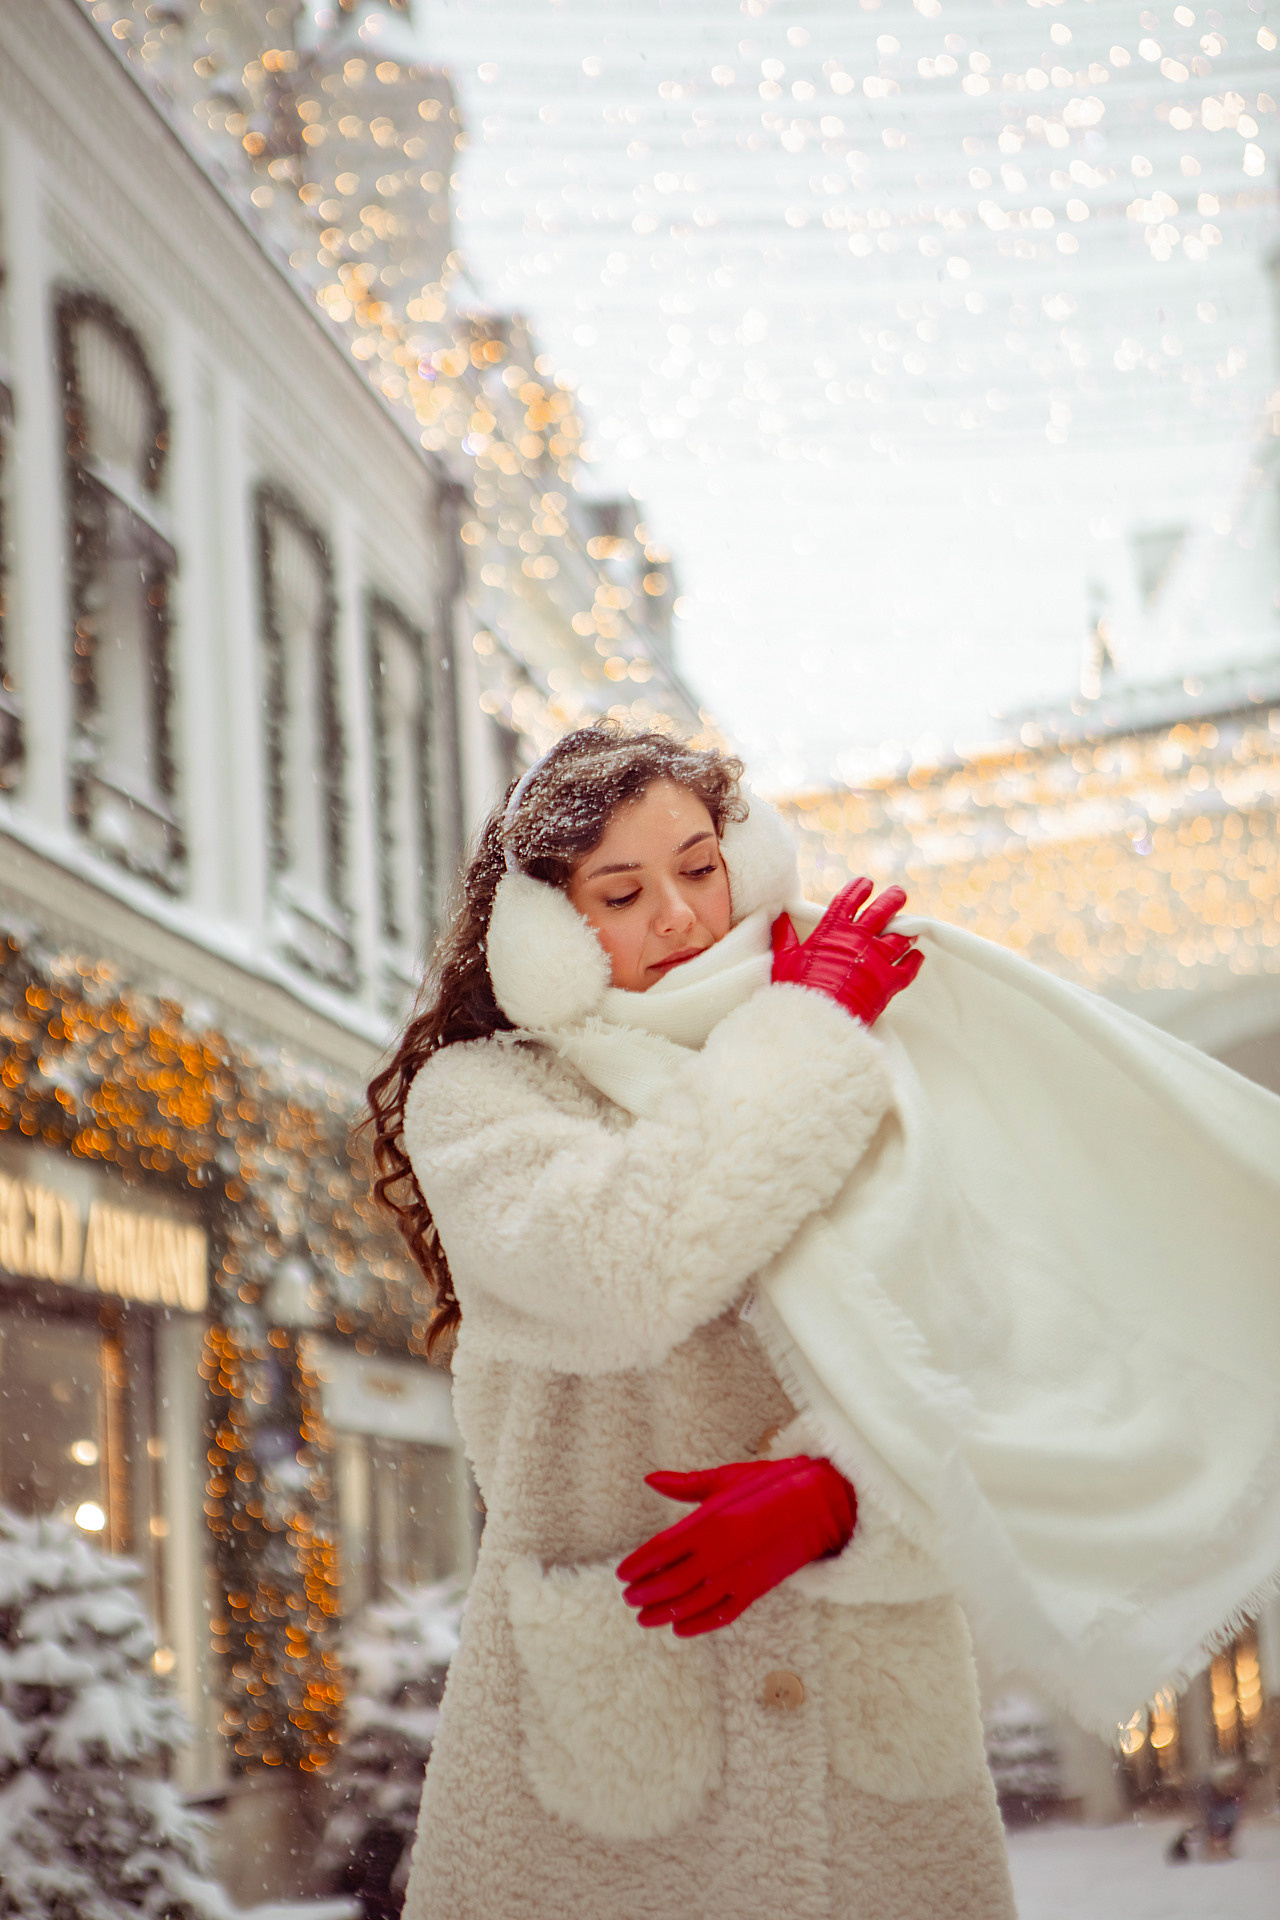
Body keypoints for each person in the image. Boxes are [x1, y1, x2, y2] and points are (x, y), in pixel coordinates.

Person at [368, 723, 1018, 1920]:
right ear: (548, 930)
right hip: (603, 1780)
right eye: (621, 891)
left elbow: (993, 1357)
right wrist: (808, 1037)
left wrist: (849, 1498)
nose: (679, 915)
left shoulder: (867, 1060)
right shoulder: (485, 1103)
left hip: (871, 1758)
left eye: (700, 866)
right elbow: (627, 1259)